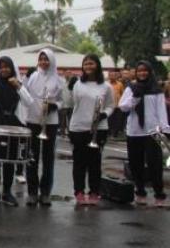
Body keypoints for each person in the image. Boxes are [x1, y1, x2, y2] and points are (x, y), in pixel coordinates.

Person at [0, 56, 32, 207]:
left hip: (14, 126)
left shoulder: (17, 84)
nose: (4, 69)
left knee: (10, 161)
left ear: (11, 68)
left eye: (7, 67)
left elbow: (29, 102)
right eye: (1, 67)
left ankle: (7, 192)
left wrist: (18, 86)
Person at [66, 54, 115, 207]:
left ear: (97, 65)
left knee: (95, 163)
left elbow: (111, 105)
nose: (88, 66)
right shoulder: (78, 84)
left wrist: (104, 114)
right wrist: (70, 87)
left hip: (98, 128)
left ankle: (94, 191)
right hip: (78, 127)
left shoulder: (106, 86)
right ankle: (79, 191)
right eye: (85, 64)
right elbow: (72, 103)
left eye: (91, 63)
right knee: (79, 162)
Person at [118, 61, 169, 207]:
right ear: (136, 73)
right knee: (136, 164)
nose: (142, 73)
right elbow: (123, 107)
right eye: (139, 71)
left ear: (149, 72)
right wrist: (135, 97)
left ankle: (159, 194)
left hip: (152, 131)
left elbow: (161, 111)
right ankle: (140, 191)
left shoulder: (156, 89)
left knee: (155, 164)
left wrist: (165, 130)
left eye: (145, 71)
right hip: (134, 131)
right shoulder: (131, 88)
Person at [24, 48, 63, 207]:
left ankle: (45, 192)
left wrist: (55, 105)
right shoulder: (33, 76)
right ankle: (32, 192)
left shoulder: (59, 79)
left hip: (50, 122)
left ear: (52, 61)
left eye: (46, 59)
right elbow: (26, 95)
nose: (43, 62)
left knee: (48, 159)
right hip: (33, 119)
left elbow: (62, 101)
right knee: (32, 157)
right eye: (41, 59)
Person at [107, 70, 125, 139]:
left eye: (114, 75)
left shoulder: (120, 84)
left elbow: (122, 94)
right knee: (109, 120)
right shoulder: (106, 84)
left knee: (117, 121)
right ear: (108, 76)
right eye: (111, 75)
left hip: (118, 105)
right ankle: (108, 133)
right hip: (109, 106)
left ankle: (114, 134)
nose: (112, 76)